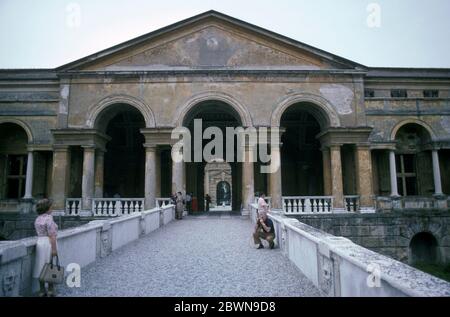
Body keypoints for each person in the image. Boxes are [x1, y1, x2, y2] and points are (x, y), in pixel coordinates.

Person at [33, 198, 58, 297]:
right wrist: (54, 249)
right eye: (51, 206)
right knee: (50, 265)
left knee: (40, 266)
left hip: (40, 242)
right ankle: (51, 289)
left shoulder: (37, 218)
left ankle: (42, 290)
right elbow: (52, 235)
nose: (52, 208)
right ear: (47, 208)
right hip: (48, 243)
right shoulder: (49, 218)